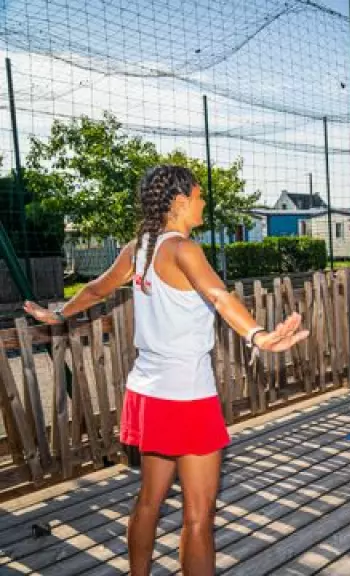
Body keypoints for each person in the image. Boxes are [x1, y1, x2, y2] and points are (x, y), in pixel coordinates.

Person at [23, 165, 309, 576]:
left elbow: (97, 289)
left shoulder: (137, 248)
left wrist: (59, 314)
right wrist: (259, 336)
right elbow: (219, 296)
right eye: (198, 195)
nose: (203, 202)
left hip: (147, 393)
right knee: (198, 516)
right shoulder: (184, 249)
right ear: (179, 201)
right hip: (187, 396)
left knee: (148, 501)